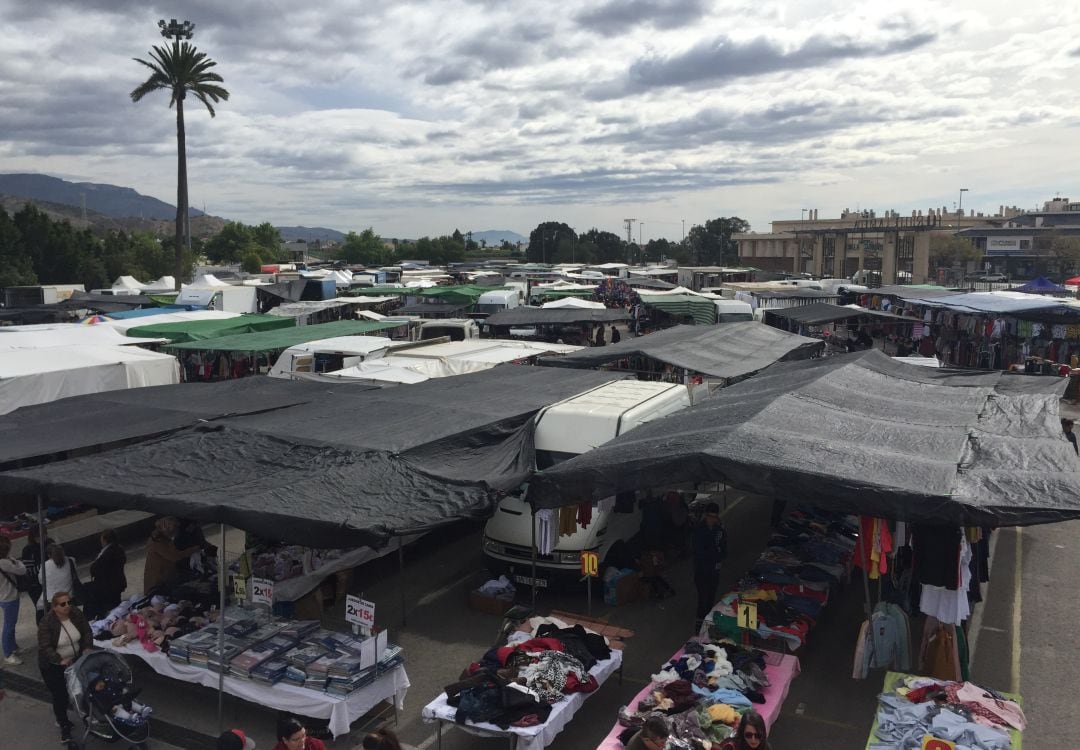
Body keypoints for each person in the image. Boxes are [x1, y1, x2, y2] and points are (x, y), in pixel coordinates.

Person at [38, 590, 93, 743]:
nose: (68, 606)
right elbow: (45, 645)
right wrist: (58, 659)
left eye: (69, 602)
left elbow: (87, 631)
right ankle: (63, 724)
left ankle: (89, 716)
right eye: (63, 604)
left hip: (76, 661)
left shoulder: (76, 613)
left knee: (83, 689)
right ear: (54, 607)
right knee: (60, 695)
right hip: (53, 666)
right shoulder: (47, 622)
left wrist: (87, 646)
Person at [143, 517, 201, 594]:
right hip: (157, 584)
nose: (175, 532)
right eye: (174, 529)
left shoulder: (164, 539)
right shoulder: (157, 542)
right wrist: (192, 550)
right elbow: (175, 557)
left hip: (165, 579)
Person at [692, 502, 728, 626]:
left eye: (714, 517)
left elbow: (724, 551)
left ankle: (707, 623)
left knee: (711, 597)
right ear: (706, 516)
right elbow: (699, 552)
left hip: (714, 571)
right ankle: (699, 625)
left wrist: (715, 553)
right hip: (701, 571)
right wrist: (714, 552)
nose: (712, 520)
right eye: (710, 516)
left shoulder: (720, 531)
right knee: (702, 598)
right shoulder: (699, 530)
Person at [0, 536, 28, 665]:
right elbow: (22, 570)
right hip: (9, 596)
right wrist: (16, 561)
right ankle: (7, 653)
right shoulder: (4, 563)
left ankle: (13, 646)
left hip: (3, 596)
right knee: (9, 625)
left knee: (11, 623)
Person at [88, 529, 127, 620]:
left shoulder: (109, 552)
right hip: (116, 583)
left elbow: (96, 568)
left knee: (110, 608)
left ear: (105, 540)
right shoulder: (118, 549)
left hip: (108, 586)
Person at [21, 525, 55, 623]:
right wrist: (45, 566)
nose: (44, 537)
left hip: (50, 582)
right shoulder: (28, 550)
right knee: (41, 610)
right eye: (41, 535)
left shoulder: (50, 543)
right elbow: (28, 571)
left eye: (45, 534)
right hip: (35, 585)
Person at [38, 543, 79, 613]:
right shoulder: (71, 561)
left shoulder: (45, 566)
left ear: (48, 555)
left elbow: (41, 581)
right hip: (70, 598)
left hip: (52, 600)